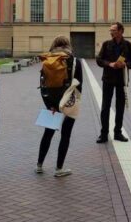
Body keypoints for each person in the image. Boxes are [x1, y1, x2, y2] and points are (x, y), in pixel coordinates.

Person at [36, 36, 84, 177]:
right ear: (69, 45)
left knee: (48, 133)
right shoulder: (75, 61)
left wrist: (49, 104)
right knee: (66, 134)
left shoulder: (47, 60)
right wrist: (75, 102)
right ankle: (59, 168)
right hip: (68, 100)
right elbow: (79, 85)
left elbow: (43, 85)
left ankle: (39, 165)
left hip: (51, 102)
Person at [95, 22, 131, 143]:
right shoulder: (106, 44)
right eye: (110, 30)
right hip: (108, 78)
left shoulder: (128, 45)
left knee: (120, 107)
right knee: (105, 107)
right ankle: (103, 134)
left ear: (120, 31)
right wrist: (110, 64)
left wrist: (125, 64)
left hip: (122, 79)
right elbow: (99, 60)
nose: (111, 32)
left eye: (113, 30)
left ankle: (117, 133)